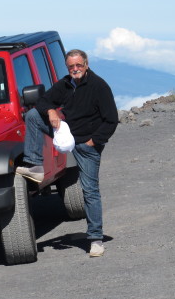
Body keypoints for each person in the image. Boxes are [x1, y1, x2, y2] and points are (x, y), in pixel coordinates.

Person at [15, 49, 118, 258]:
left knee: (89, 190)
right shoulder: (65, 84)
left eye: (79, 65)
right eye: (71, 66)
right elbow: (43, 101)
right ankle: (34, 165)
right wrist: (52, 111)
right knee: (34, 115)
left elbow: (111, 119)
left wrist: (93, 142)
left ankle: (96, 239)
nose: (75, 69)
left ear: (86, 64)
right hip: (68, 136)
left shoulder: (99, 86)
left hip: (87, 145)